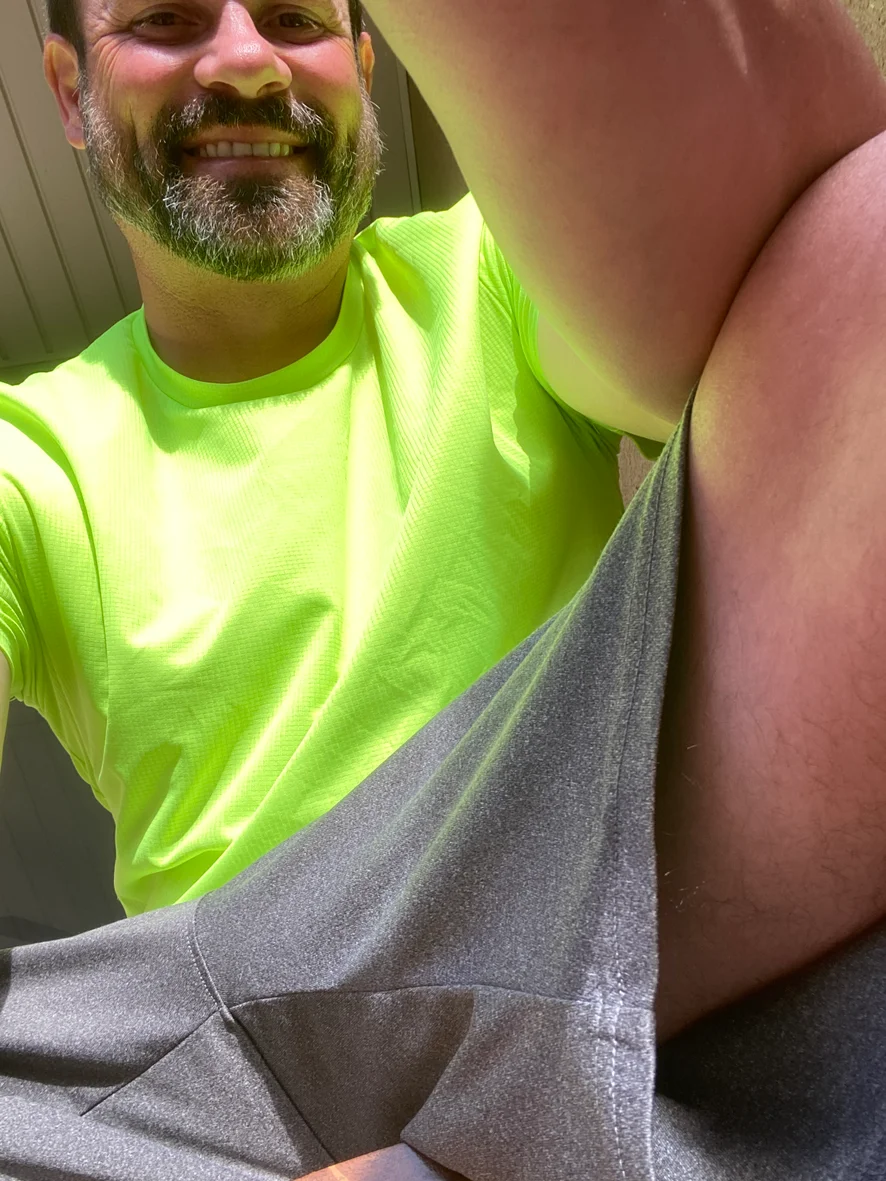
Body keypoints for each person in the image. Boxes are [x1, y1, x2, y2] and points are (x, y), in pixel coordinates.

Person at [0, 0, 880, 921]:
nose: (249, 61)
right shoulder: (32, 459)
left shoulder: (501, 273)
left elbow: (790, 342)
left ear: (365, 73)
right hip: (240, 999)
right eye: (166, 19)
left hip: (597, 933)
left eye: (295, 20)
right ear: (69, 91)